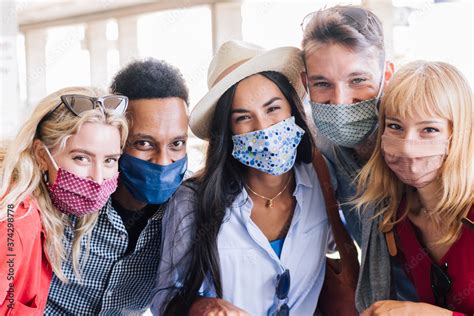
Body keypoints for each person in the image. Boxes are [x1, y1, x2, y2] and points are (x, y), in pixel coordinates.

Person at [152, 40, 337, 315]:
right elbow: (165, 301)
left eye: (273, 109)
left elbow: (340, 248)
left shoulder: (324, 180)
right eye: (243, 118)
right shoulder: (192, 201)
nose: (263, 129)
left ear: (293, 110)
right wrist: (203, 307)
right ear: (228, 132)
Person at [45, 59, 190, 314]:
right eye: (144, 143)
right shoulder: (69, 189)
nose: (163, 161)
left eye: (176, 144)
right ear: (117, 136)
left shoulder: (188, 207)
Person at [300, 4, 420, 307]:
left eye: (358, 80)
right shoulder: (319, 145)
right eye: (323, 84)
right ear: (305, 83)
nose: (340, 102)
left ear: (386, 75)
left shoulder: (418, 145)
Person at [355, 61, 473, 315]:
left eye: (429, 129)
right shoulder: (395, 215)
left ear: (459, 135)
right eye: (395, 126)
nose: (408, 146)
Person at [0, 86, 128, 315]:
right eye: (81, 158)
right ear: (41, 155)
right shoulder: (17, 221)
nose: (98, 178)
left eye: (109, 160)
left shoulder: (42, 215)